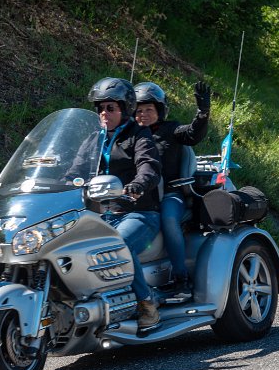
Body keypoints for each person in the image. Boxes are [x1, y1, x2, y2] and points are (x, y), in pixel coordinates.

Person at [86, 77, 163, 330]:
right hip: (100, 215)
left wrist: (138, 185)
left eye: (110, 108)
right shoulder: (94, 139)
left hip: (138, 212)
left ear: (125, 109)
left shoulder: (139, 135)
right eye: (100, 108)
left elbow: (149, 166)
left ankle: (146, 303)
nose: (104, 113)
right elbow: (74, 167)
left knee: (118, 244)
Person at [133, 80, 211, 299]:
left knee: (168, 219)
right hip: (137, 195)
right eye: (139, 111)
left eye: (149, 109)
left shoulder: (171, 130)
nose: (143, 115)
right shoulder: (129, 136)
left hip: (170, 194)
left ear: (160, 111)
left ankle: (180, 278)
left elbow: (193, 134)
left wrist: (202, 113)